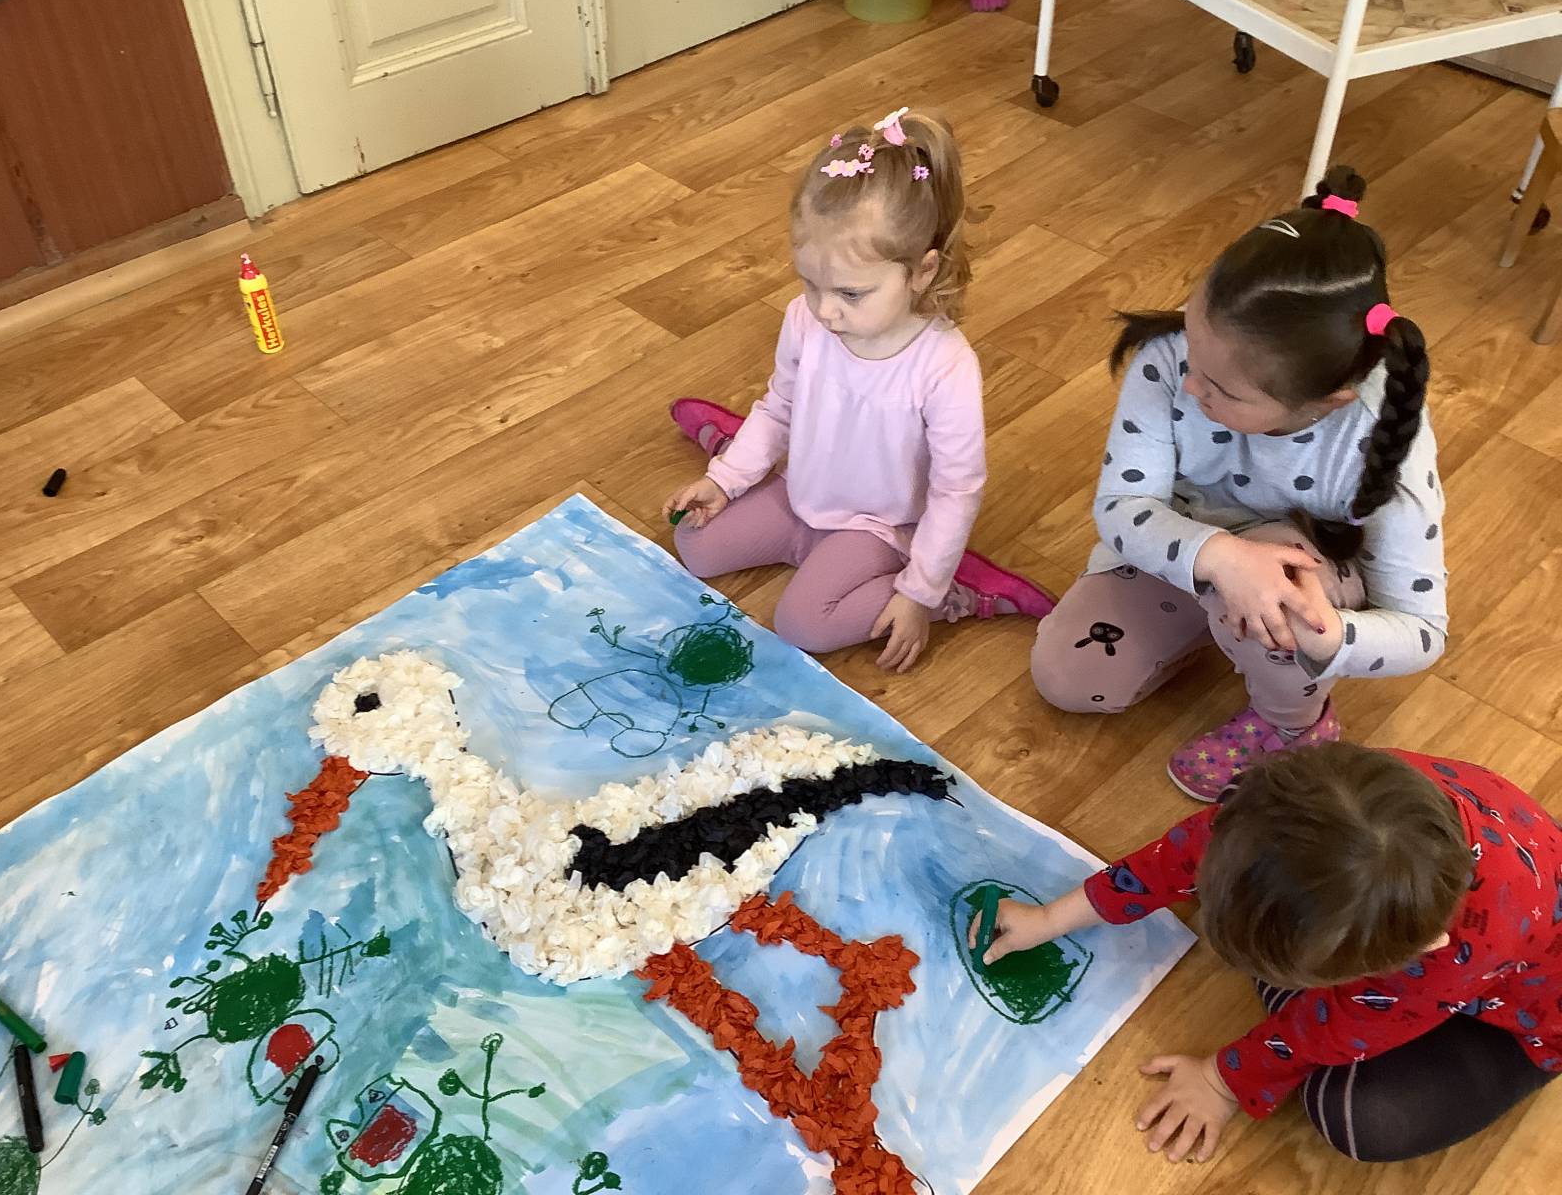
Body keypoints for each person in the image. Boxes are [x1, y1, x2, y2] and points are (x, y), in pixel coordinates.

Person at [1030, 166, 1445, 801]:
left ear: (1327, 401)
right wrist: (1219, 560)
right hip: (1184, 546)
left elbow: (1422, 631)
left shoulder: (1379, 432)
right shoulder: (1176, 357)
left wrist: (1330, 636)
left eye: (1222, 389)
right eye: (1192, 347)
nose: (1190, 385)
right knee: (1067, 676)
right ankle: (1222, 624)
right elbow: (1121, 505)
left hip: (1301, 561)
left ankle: (1293, 725)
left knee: (1281, 604)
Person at [971, 743, 1560, 1163]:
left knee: (1361, 1119)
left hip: (1525, 1017)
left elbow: (1337, 1030)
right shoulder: (1308, 803)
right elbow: (1182, 854)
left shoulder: (1449, 957)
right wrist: (1052, 918)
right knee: (1263, 902)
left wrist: (1221, 1081)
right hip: (1448, 919)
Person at [663, 106, 1053, 674]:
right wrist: (725, 480)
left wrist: (919, 592)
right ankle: (738, 459)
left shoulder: (945, 366)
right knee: (695, 545)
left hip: (878, 526)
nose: (825, 310)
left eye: (850, 293)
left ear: (921, 272)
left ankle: (957, 591)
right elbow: (781, 405)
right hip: (804, 493)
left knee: (803, 625)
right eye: (810, 282)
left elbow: (956, 490)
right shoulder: (805, 319)